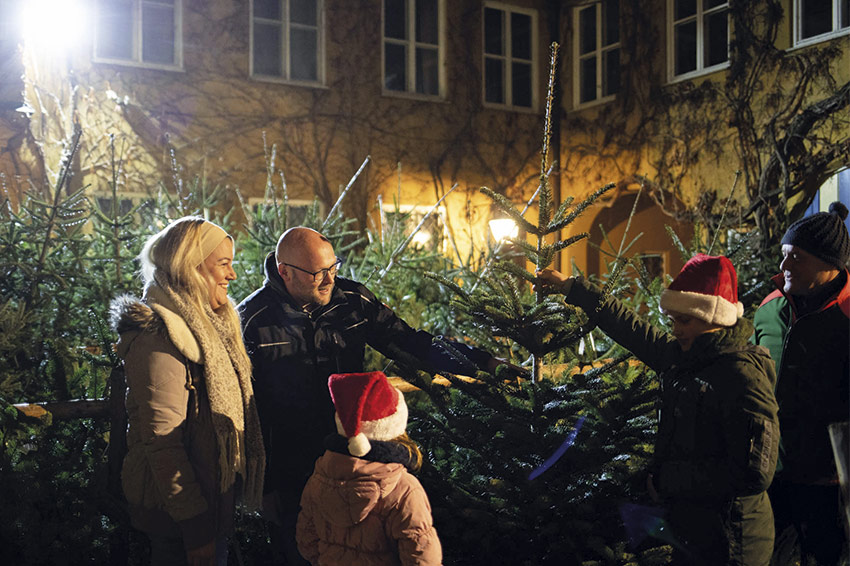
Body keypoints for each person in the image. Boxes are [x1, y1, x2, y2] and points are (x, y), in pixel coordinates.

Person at [238, 226, 520, 565]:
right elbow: (247, 410)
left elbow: (410, 342)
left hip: (355, 460)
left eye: (333, 267)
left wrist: (483, 362)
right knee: (299, 552)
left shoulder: (352, 302)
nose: (329, 280)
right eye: (318, 274)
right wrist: (264, 485)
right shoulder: (252, 320)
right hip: (291, 473)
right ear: (285, 272)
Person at [537, 254, 779, 565]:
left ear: (715, 318)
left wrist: (666, 480)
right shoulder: (682, 356)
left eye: (685, 321)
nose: (676, 330)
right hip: (695, 531)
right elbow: (630, 328)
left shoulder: (740, 376)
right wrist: (573, 288)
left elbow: (753, 472)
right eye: (673, 320)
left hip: (732, 540)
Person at [110, 217, 265, 566]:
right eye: (223, 264)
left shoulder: (210, 326)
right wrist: (196, 530)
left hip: (210, 504)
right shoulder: (159, 335)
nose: (232, 275)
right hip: (180, 520)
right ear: (190, 268)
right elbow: (162, 442)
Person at [753, 201, 850, 565]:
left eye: (796, 257)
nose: (783, 266)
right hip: (771, 475)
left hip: (829, 484)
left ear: (829, 264)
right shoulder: (769, 309)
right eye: (783, 255)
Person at [296, 371, 442, 566]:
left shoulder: (319, 476)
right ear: (395, 426)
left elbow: (307, 542)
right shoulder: (404, 488)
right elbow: (422, 558)